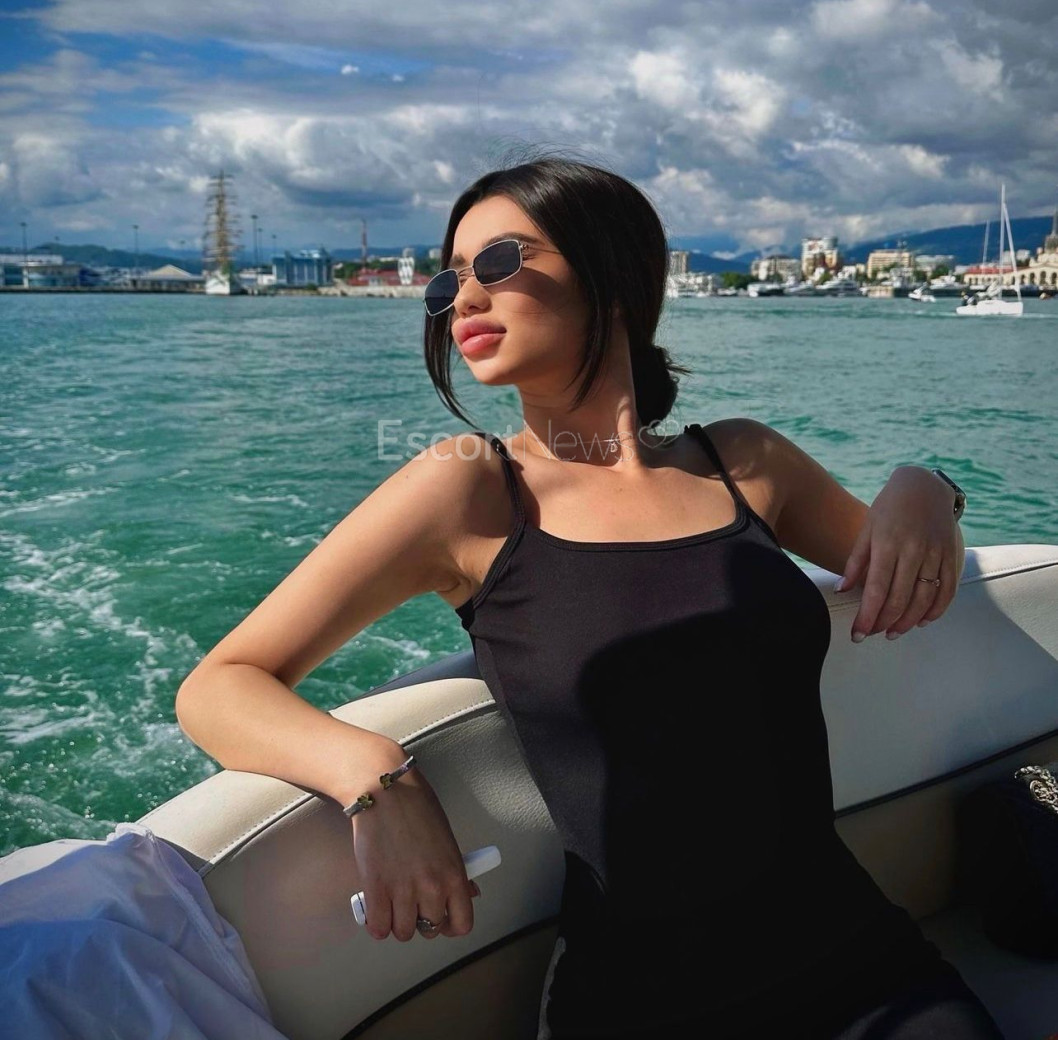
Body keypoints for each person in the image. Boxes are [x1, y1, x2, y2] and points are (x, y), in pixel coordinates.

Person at [175, 155, 1004, 1039]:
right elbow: (220, 685)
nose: (463, 298)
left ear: (612, 272)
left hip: (860, 962)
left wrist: (927, 487)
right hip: (641, 1001)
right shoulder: (468, 488)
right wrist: (376, 779)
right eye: (448, 281)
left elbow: (901, 565)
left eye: (499, 262)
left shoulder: (744, 463)